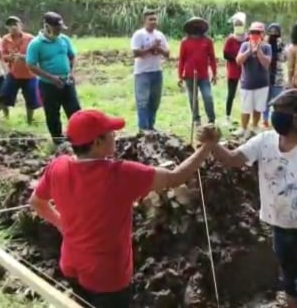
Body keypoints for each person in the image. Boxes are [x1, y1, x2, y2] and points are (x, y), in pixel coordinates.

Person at [28, 109, 220, 308]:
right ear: (96, 143)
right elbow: (176, 177)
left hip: (71, 264)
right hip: (108, 276)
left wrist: (63, 226)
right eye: (111, 133)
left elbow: (36, 202)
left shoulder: (58, 166)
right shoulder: (120, 174)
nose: (115, 136)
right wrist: (207, 147)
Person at [211, 89, 297, 308]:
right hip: (280, 230)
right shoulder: (264, 141)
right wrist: (212, 144)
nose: (275, 116)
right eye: (274, 110)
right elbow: (234, 159)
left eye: (282, 112)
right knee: (290, 285)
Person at [27, 11, 81, 145]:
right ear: (47, 27)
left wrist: (71, 72)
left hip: (66, 82)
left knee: (75, 111)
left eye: (60, 29)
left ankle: (79, 137)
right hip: (48, 85)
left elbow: (72, 56)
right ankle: (58, 142)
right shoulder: (36, 44)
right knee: (52, 114)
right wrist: (51, 78)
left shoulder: (64, 40)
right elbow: (31, 65)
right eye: (56, 28)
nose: (58, 32)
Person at [0, 16, 39, 126]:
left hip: (30, 75)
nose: (13, 27)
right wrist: (9, 57)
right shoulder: (5, 39)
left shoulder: (30, 39)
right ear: (7, 27)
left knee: (31, 101)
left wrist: (23, 57)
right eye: (10, 25)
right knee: (2, 98)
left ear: (21, 25)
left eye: (15, 24)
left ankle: (29, 122)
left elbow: (37, 56)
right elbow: (3, 56)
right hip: (14, 74)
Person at [130, 9, 169, 132]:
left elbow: (167, 53)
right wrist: (150, 47)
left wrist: (159, 49)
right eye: (150, 19)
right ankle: (143, 129)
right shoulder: (139, 34)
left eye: (155, 19)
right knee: (142, 102)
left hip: (157, 71)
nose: (153, 22)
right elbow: (136, 53)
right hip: (142, 73)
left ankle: (151, 126)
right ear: (144, 21)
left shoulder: (160, 35)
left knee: (154, 102)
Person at [178, 17, 217, 126]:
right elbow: (182, 59)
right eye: (193, 26)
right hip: (190, 75)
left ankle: (211, 119)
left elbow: (212, 58)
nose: (196, 27)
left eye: (198, 25)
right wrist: (180, 76)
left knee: (207, 97)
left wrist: (214, 74)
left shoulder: (207, 41)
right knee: (193, 98)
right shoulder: (185, 42)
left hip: (204, 75)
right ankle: (196, 119)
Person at [234, 21, 271, 136]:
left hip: (262, 84)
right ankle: (243, 128)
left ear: (262, 34)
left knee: (258, 108)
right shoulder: (244, 46)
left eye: (257, 32)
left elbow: (266, 64)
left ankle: (255, 126)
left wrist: (258, 51)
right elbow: (238, 61)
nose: (255, 35)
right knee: (245, 108)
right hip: (247, 83)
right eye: (252, 32)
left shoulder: (267, 47)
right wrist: (249, 51)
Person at [222, 12, 247, 126]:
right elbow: (225, 54)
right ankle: (227, 116)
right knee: (231, 94)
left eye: (240, 25)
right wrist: (237, 58)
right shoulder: (230, 39)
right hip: (233, 70)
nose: (238, 28)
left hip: (246, 71)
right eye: (236, 25)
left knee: (245, 95)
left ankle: (244, 117)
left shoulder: (247, 39)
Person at [262, 23, 287, 129]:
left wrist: (280, 47)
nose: (274, 34)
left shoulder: (281, 43)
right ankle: (265, 121)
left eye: (276, 32)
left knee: (278, 101)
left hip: (278, 76)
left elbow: (284, 58)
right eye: (272, 32)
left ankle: (276, 121)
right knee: (265, 101)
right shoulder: (264, 42)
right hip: (266, 76)